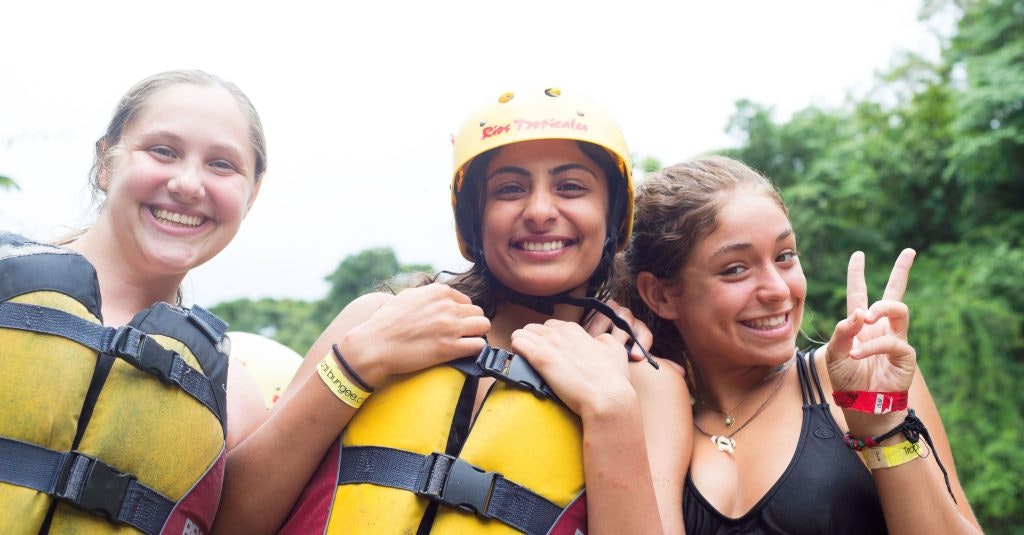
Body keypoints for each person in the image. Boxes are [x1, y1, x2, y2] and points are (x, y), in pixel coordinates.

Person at [216, 88, 689, 534]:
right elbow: (230, 522)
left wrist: (610, 411)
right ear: (472, 217)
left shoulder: (642, 381)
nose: (540, 210)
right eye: (509, 189)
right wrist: (354, 364)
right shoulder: (374, 321)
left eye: (570, 187)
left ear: (612, 216)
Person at [618, 156, 983, 533]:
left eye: (785, 256)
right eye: (736, 269)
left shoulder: (858, 376)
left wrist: (884, 424)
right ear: (660, 295)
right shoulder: (656, 420)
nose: (778, 289)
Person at [0, 70, 269, 534]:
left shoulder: (237, 403)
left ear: (252, 195)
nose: (188, 184)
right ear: (106, 162)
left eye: (222, 164)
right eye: (163, 151)